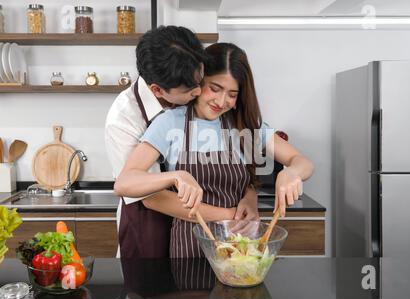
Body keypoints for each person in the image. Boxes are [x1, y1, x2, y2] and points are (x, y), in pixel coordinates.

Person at [114, 43, 314, 258]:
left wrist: (290, 173)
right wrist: (177, 176)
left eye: (232, 94)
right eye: (215, 88)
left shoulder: (244, 124)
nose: (221, 101)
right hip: (190, 247)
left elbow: (302, 161)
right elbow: (125, 182)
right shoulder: (170, 122)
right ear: (199, 81)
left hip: (241, 245)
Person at [105, 26, 259, 258]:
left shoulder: (197, 96)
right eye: (191, 90)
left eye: (202, 81)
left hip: (196, 226)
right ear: (157, 90)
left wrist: (249, 196)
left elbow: (232, 169)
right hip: (150, 223)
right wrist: (230, 215)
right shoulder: (123, 120)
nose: (200, 92)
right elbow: (151, 197)